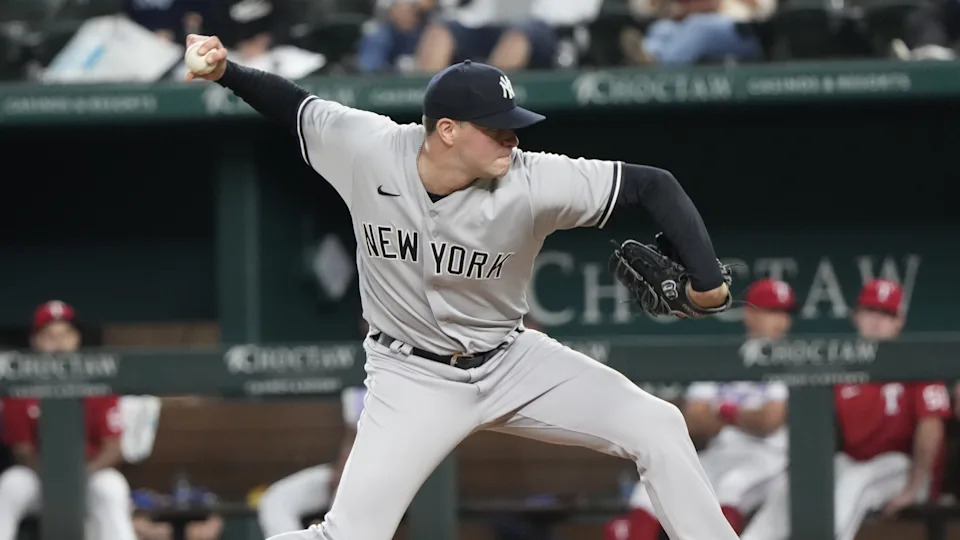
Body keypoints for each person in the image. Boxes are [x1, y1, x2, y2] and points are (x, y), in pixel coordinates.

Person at [182, 33, 737, 540]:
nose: (512, 136)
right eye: (495, 126)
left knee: (657, 425)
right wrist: (225, 69)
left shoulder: (532, 179)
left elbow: (652, 185)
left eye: (512, 122)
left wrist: (708, 285)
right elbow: (292, 105)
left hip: (511, 360)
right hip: (410, 376)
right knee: (350, 535)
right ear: (446, 130)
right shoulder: (368, 148)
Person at [740, 278, 952, 540]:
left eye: (886, 314)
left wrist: (914, 487)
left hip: (905, 467)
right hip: (853, 462)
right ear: (856, 316)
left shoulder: (916, 362)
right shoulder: (844, 366)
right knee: (797, 485)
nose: (877, 321)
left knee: (855, 481)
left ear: (899, 321)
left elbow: (931, 427)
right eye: (871, 311)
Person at [605, 278, 794, 539]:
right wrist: (740, 416)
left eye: (784, 313)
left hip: (769, 460)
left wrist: (723, 411)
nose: (780, 321)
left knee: (731, 487)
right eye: (771, 311)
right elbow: (694, 418)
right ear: (750, 314)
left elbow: (769, 420)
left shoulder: (791, 357)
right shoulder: (727, 358)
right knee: (649, 487)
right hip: (720, 453)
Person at [0, 301, 137, 540]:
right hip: (39, 478)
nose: (58, 343)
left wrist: (80, 477)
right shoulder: (19, 388)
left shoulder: (99, 384)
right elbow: (22, 450)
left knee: (112, 487)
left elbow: (113, 447)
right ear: (35, 341)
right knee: (11, 484)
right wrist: (56, 479)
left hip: (88, 475)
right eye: (49, 336)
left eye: (65, 334)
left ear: (77, 339)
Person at [257, 386, 367, 537]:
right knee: (275, 500)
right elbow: (351, 436)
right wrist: (342, 469)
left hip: (381, 481)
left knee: (345, 503)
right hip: (347, 472)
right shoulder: (361, 387)